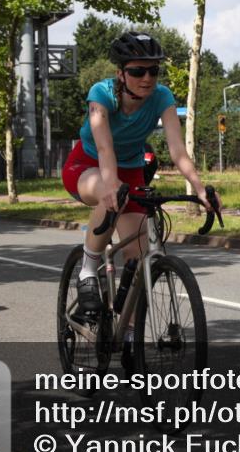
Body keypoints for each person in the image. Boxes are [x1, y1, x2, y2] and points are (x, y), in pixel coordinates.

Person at [62, 31, 217, 318]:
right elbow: (105, 148)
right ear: (121, 73)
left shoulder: (162, 97)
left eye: (153, 70)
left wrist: (199, 188)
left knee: (139, 260)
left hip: (131, 171)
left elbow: (177, 151)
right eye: (137, 71)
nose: (147, 77)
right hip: (87, 165)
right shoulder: (101, 94)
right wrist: (110, 183)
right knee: (109, 195)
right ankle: (86, 271)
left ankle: (130, 336)